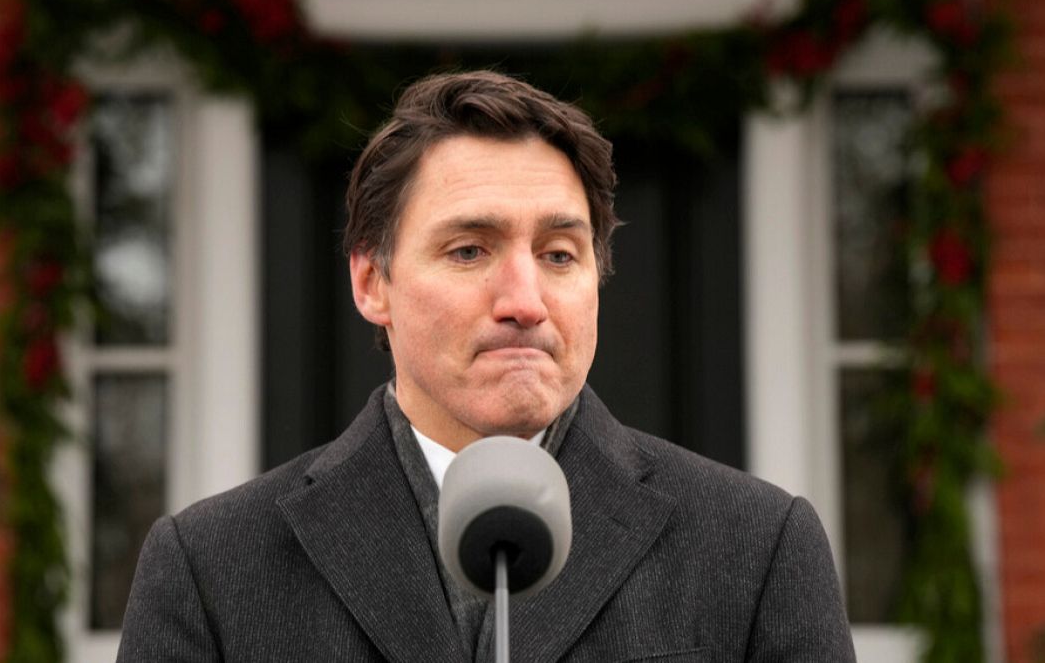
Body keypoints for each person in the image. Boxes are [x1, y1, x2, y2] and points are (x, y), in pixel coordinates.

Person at [118, 70, 855, 662]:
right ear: (373, 282)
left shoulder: (758, 550)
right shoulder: (210, 570)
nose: (524, 300)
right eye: (470, 249)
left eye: (559, 254)